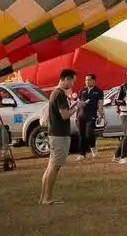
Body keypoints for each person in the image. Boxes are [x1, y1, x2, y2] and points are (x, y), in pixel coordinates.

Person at [40, 69, 81, 205]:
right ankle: (47, 197)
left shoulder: (55, 93)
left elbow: (62, 112)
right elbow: (64, 115)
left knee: (51, 165)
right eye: (72, 81)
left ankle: (43, 197)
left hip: (55, 134)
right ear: (66, 79)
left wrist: (74, 105)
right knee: (55, 166)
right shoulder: (60, 94)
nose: (72, 85)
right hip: (59, 134)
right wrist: (77, 108)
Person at [75, 74, 103, 160]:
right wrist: (76, 115)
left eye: (89, 80)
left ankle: (93, 149)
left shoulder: (98, 91)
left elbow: (100, 104)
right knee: (81, 135)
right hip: (81, 115)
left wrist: (100, 114)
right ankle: (81, 154)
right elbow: (78, 103)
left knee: (89, 133)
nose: (87, 81)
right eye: (86, 80)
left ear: (94, 80)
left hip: (91, 115)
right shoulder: (82, 90)